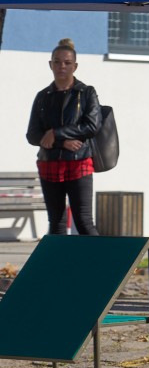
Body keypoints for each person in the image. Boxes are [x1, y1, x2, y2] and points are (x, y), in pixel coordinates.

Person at [24, 38, 101, 236]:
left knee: (84, 221)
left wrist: (55, 133)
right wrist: (61, 141)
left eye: (67, 62)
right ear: (50, 64)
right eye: (57, 62)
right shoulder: (43, 96)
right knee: (56, 223)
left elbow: (92, 126)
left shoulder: (86, 92)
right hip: (49, 163)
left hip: (79, 162)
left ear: (75, 66)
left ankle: (100, 257)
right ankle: (60, 258)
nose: (62, 66)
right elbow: (32, 135)